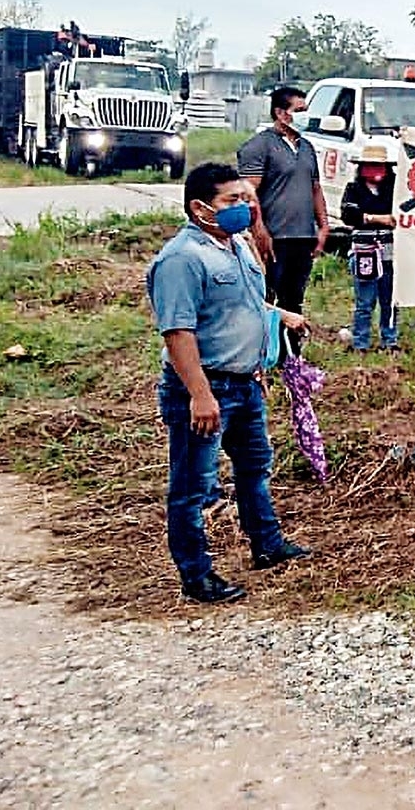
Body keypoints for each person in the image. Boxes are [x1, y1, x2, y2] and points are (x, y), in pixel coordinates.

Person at [147, 162, 311, 604]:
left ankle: (267, 544)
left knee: (255, 467)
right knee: (192, 488)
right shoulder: (182, 259)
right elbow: (178, 332)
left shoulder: (235, 246)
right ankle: (196, 575)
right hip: (204, 390)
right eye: (232, 201)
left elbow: (243, 303)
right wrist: (200, 395)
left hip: (244, 384)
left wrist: (279, 316)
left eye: (245, 198)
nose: (245, 207)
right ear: (200, 208)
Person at [239, 86, 328, 312]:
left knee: (294, 300)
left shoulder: (306, 147)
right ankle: (265, 346)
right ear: (280, 113)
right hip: (274, 236)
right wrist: (259, 230)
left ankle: (290, 347)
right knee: (265, 297)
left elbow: (315, 188)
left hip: (302, 236)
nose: (305, 115)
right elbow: (248, 192)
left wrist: (323, 226)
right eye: (299, 110)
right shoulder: (259, 146)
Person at [340, 143, 400, 352]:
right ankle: (360, 343)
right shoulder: (353, 189)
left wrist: (367, 218)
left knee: (390, 300)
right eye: (370, 165)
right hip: (364, 251)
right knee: (364, 302)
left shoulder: (395, 190)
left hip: (390, 252)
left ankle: (390, 341)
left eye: (378, 166)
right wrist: (379, 219)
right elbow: (348, 216)